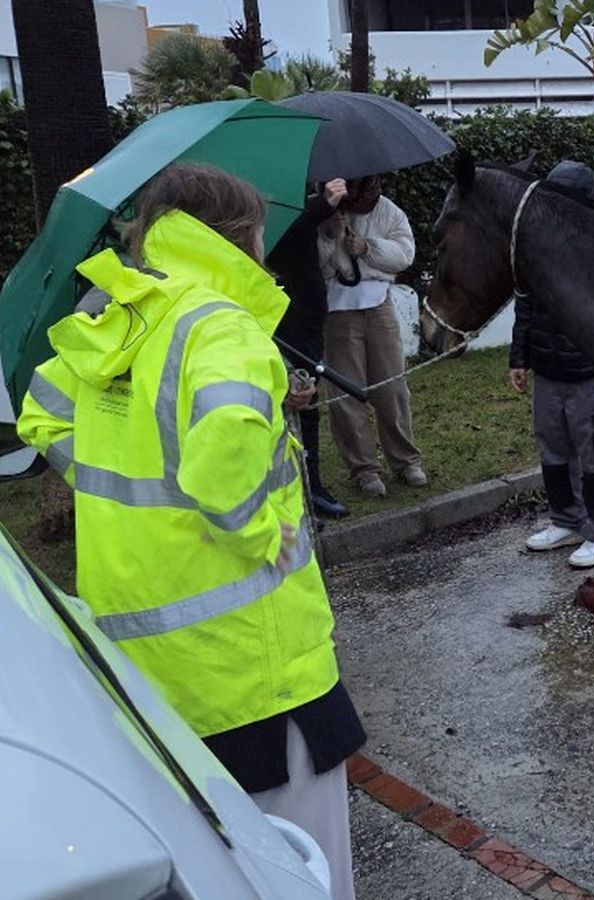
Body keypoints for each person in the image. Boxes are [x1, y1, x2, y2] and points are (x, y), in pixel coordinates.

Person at [18, 163, 365, 900]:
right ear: (242, 235)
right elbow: (220, 466)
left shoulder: (119, 313)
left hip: (150, 673)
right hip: (258, 674)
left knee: (209, 873)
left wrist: (126, 480)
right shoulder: (222, 323)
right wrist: (259, 530)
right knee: (299, 874)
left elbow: (42, 411)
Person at [508, 160, 594, 569]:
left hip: (590, 374)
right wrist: (519, 358)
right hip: (547, 371)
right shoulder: (535, 246)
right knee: (553, 450)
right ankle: (566, 521)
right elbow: (525, 304)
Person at [318, 175, 426, 499]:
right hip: (338, 311)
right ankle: (364, 468)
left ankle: (405, 460)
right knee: (346, 394)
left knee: (392, 387)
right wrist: (330, 236)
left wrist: (366, 247)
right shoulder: (322, 210)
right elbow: (313, 263)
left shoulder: (387, 210)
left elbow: (405, 253)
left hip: (379, 306)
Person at [267, 176, 350, 521]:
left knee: (309, 406)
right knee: (288, 406)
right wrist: (324, 204)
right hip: (281, 323)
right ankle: (297, 495)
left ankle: (313, 487)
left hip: (308, 321)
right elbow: (287, 230)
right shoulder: (265, 209)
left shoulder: (297, 201)